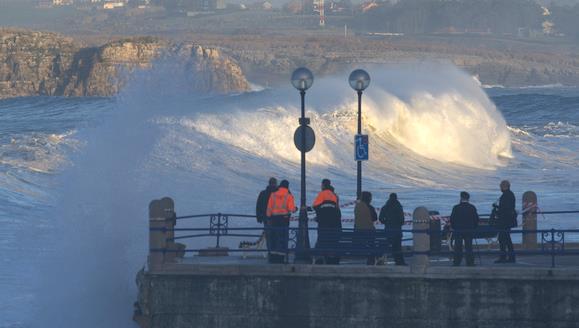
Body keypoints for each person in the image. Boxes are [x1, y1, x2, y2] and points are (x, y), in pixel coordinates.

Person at [266, 180, 297, 264]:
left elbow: (269, 208)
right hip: (284, 219)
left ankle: (273, 257)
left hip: (274, 219)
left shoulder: (273, 195)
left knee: (274, 237)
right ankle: (281, 257)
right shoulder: (288, 195)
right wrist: (295, 208)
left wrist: (268, 218)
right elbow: (291, 209)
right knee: (283, 238)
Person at [313, 179, 342, 264]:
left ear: (323, 185)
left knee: (322, 239)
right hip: (334, 221)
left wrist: (318, 215)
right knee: (332, 240)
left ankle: (319, 258)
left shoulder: (322, 193)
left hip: (323, 221)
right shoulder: (334, 195)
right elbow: (336, 208)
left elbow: (315, 206)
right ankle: (332, 258)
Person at [449, 192, 480, 267]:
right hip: (469, 229)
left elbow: (452, 219)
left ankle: (457, 262)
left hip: (458, 230)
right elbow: (476, 219)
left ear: (461, 198)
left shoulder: (456, 207)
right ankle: (470, 262)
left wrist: (453, 227)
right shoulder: (472, 207)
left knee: (458, 247)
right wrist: (474, 227)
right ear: (468, 199)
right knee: (469, 247)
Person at [379, 193, 406, 266]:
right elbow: (402, 220)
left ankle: (381, 260)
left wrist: (386, 222)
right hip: (397, 230)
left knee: (386, 246)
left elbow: (380, 218)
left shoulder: (385, 207)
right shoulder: (399, 207)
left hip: (388, 229)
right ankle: (399, 262)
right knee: (397, 247)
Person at [495, 180, 517, 263]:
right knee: (506, 239)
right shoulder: (509, 194)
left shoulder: (506, 195)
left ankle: (504, 257)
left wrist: (498, 210)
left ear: (504, 186)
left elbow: (505, 209)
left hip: (505, 221)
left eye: (501, 186)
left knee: (503, 239)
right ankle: (510, 257)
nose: (500, 188)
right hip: (507, 221)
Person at [354, 191, 377, 265]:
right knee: (372, 244)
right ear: (369, 198)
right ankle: (371, 260)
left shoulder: (357, 207)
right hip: (369, 231)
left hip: (358, 231)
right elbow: (375, 218)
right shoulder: (370, 207)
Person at [256, 177, 277, 252]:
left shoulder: (263, 193)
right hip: (276, 218)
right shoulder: (277, 193)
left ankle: (270, 252)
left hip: (266, 218)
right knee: (275, 236)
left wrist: (259, 217)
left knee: (269, 236)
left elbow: (258, 206)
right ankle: (275, 252)